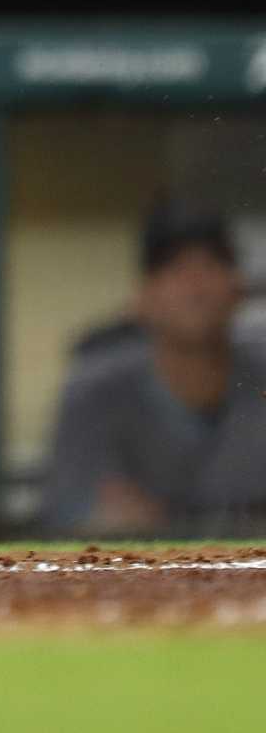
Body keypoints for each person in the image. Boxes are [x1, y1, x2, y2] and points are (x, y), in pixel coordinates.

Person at [41, 200, 266, 536]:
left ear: (237, 288)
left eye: (211, 265)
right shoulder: (96, 391)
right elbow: (66, 514)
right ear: (142, 296)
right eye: (175, 269)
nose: (196, 286)